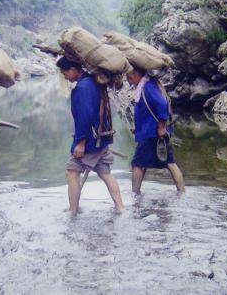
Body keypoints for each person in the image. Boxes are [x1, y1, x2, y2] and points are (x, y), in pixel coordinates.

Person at [56, 57, 124, 214]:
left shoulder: (83, 87)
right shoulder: (94, 82)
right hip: (101, 138)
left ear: (73, 69)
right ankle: (120, 208)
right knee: (105, 173)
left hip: (90, 141)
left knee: (72, 172)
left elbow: (84, 116)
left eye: (65, 71)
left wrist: (80, 142)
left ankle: (73, 211)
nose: (64, 75)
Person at [126, 66, 185, 194]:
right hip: (150, 131)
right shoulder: (148, 84)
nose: (130, 81)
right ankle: (182, 192)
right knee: (169, 162)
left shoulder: (147, 86)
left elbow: (162, 104)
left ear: (136, 74)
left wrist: (162, 127)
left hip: (151, 133)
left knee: (137, 163)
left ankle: (135, 194)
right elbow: (147, 110)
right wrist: (138, 127)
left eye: (130, 78)